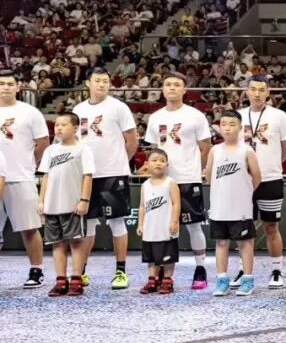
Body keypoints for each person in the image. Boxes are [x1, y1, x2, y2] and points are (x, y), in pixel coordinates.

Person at [143, 73, 212, 290]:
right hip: (161, 182)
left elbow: (206, 148)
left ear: (184, 89)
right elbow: (154, 151)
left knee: (193, 226)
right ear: (162, 89)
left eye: (177, 85)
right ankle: (160, 271)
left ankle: (200, 268)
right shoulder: (155, 118)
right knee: (160, 226)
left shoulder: (195, 116)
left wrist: (196, 170)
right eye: (168, 84)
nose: (172, 88)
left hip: (188, 179)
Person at [74, 67, 138, 291]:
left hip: (113, 174)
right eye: (98, 80)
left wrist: (119, 164)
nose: (102, 84)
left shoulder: (119, 107)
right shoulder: (78, 109)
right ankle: (81, 272)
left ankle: (121, 272)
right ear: (88, 83)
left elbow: (132, 141)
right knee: (88, 225)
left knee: (117, 223)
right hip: (88, 176)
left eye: (105, 81)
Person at [236, 76, 286, 289]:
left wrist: (271, 164)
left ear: (268, 92)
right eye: (253, 89)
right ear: (247, 91)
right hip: (243, 181)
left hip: (271, 179)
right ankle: (244, 270)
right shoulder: (238, 116)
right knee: (244, 228)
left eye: (262, 90)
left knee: (271, 227)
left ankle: (277, 270)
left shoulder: (279, 116)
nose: (257, 94)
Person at [0, 70, 49, 287]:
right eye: (2, 83)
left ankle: (37, 270)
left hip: (21, 176)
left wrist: (31, 163)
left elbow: (43, 143)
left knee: (29, 227)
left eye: (10, 84)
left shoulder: (30, 112)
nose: (6, 87)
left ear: (18, 87)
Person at [37, 112, 95, 297]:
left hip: (73, 205)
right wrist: (41, 201)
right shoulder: (50, 150)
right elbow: (46, 177)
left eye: (64, 125)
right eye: (57, 125)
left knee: (76, 243)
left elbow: (88, 176)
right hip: (52, 205)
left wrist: (84, 200)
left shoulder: (83, 149)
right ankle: (61, 281)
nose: (59, 128)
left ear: (75, 128)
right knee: (57, 244)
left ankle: (76, 279)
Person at [204, 111, 261, 297]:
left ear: (240, 127)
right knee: (221, 243)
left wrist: (243, 192)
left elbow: (257, 177)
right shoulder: (214, 150)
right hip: (219, 207)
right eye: (224, 124)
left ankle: (248, 280)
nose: (227, 128)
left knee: (245, 243)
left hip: (241, 208)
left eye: (232, 124)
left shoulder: (247, 151)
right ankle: (222, 280)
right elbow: (209, 176)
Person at [137, 148, 181, 295]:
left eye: (162, 161)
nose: (158, 163)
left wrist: (174, 221)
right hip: (150, 228)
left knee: (169, 256)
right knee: (151, 257)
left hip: (166, 229)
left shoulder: (170, 183)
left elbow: (176, 203)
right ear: (147, 164)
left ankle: (167, 279)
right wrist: (140, 224)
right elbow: (142, 206)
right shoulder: (145, 185)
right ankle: (153, 279)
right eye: (154, 160)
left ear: (167, 164)